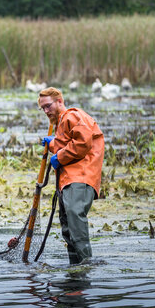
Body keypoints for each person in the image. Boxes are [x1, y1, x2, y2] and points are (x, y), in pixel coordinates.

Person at [38, 87, 104, 264]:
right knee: (67, 227)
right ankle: (75, 269)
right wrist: (54, 145)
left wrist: (58, 156)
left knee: (75, 219)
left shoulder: (72, 115)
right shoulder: (61, 122)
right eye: (42, 108)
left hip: (80, 177)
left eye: (48, 106)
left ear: (60, 101)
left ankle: (86, 265)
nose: (46, 111)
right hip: (67, 180)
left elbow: (82, 142)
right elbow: (67, 144)